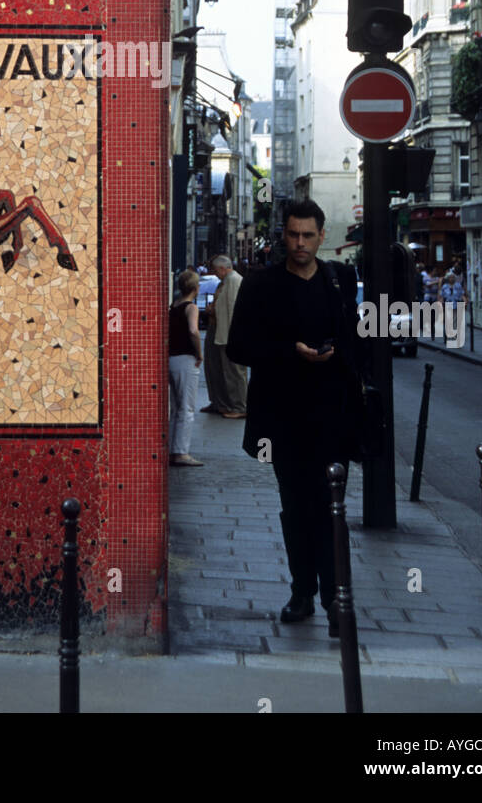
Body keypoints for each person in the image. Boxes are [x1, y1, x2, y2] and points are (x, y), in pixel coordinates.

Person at [226, 198, 365, 638]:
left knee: (331, 508)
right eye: (292, 234)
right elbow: (239, 348)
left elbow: (356, 343)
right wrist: (292, 352)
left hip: (332, 416)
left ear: (322, 237)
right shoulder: (262, 284)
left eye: (308, 235)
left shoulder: (340, 279)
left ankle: (334, 601)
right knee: (297, 507)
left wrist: (336, 353)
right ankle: (303, 591)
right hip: (282, 420)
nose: (300, 243)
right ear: (283, 235)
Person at [201, 255, 246, 418]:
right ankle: (219, 402)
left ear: (222, 268)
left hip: (227, 332)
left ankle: (238, 406)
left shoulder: (234, 281)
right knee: (215, 368)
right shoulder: (224, 281)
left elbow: (233, 309)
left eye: (214, 270)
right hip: (217, 329)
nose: (214, 273)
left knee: (232, 371)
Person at [168, 269, 204, 467]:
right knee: (187, 407)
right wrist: (199, 353)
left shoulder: (173, 306)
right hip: (186, 359)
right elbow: (193, 331)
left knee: (175, 408)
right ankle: (181, 452)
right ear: (196, 289)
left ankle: (173, 449)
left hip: (171, 358)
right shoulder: (191, 308)